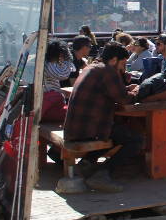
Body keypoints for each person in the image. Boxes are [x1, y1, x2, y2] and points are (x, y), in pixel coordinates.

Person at [62, 42, 143, 193]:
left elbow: (110, 91)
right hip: (89, 129)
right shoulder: (107, 71)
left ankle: (87, 163)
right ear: (113, 60)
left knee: (118, 133)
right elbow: (125, 99)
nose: (122, 67)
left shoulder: (92, 67)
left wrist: (125, 87)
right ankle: (102, 174)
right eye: (122, 63)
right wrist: (137, 91)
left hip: (76, 127)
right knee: (136, 139)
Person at [41, 40, 75, 122]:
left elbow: (73, 69)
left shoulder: (47, 61)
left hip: (47, 102)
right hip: (47, 103)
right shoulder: (48, 64)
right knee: (74, 113)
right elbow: (63, 74)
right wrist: (67, 60)